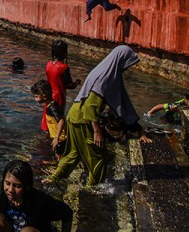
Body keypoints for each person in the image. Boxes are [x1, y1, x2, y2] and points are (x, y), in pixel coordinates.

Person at [46, 45, 152, 187]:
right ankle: (92, 190)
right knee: (99, 159)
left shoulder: (103, 71)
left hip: (74, 116)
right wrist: (97, 132)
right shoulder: (106, 77)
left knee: (73, 153)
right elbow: (90, 107)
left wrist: (138, 129)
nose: (127, 67)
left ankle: (52, 179)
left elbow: (121, 104)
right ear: (120, 60)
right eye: (127, 63)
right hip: (83, 120)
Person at [0, 160, 72, 232]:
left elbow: (67, 213)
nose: (10, 190)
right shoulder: (0, 197)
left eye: (17, 186)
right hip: (15, 229)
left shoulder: (41, 202)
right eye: (7, 183)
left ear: (27, 186)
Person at [43, 40, 77, 133]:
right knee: (59, 119)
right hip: (59, 96)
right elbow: (69, 85)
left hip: (49, 95)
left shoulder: (48, 64)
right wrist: (76, 83)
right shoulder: (64, 67)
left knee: (48, 119)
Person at [31, 80, 67, 157]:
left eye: (36, 96)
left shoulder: (52, 107)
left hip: (61, 139)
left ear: (44, 96)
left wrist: (57, 137)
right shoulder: (50, 105)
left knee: (59, 156)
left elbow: (61, 120)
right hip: (58, 138)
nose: (35, 99)